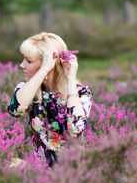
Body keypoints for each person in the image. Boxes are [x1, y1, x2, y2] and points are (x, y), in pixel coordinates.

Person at [7, 32, 93, 167]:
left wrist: (70, 79)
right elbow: (14, 110)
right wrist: (43, 71)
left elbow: (76, 127)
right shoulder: (28, 89)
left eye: (28, 61)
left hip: (72, 171)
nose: (21, 65)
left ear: (50, 64)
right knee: (6, 163)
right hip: (40, 170)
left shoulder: (82, 92)